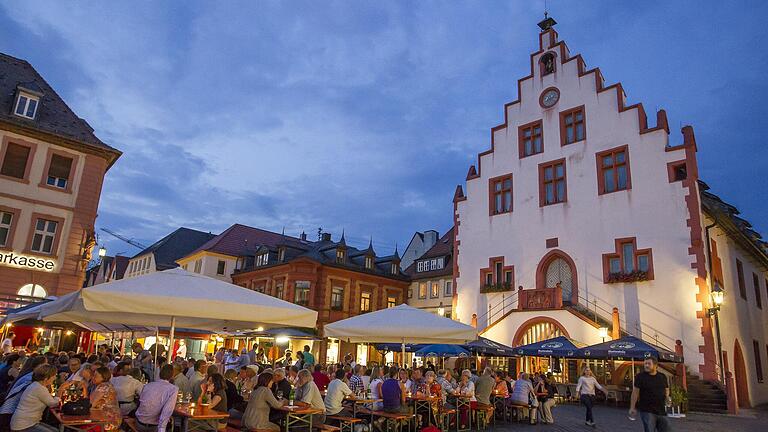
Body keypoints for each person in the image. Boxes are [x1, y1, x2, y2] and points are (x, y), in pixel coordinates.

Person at [10, 364, 60, 432]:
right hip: (23, 425)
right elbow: (53, 404)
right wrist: (61, 390)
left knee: (55, 430)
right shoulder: (39, 388)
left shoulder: (36, 385)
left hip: (25, 422)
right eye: (54, 376)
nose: (55, 378)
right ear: (46, 378)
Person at [630, 357, 671, 432]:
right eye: (645, 363)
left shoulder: (662, 376)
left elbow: (666, 389)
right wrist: (632, 407)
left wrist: (667, 397)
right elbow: (635, 392)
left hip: (661, 410)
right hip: (647, 410)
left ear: (655, 365)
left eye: (649, 363)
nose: (646, 365)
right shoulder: (640, 377)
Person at [135, 364, 178, 432]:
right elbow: (167, 411)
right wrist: (162, 429)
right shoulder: (173, 389)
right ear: (172, 375)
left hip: (139, 423)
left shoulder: (148, 385)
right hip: (153, 427)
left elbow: (142, 402)